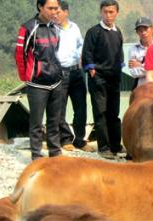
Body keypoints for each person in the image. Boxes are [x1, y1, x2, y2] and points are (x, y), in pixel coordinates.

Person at [15, 0, 63, 161]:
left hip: (56, 82)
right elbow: (20, 54)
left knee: (54, 121)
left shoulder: (56, 26)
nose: (54, 11)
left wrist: (58, 73)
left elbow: (55, 52)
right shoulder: (28, 27)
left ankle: (55, 153)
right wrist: (26, 78)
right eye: (50, 8)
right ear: (40, 7)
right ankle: (36, 155)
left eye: (56, 8)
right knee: (36, 123)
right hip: (36, 83)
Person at [82, 0, 124, 159]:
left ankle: (116, 145)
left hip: (114, 78)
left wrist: (120, 68)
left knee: (114, 113)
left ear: (116, 13)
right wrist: (92, 70)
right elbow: (87, 53)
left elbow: (119, 53)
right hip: (98, 78)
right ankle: (104, 147)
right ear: (101, 12)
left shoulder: (117, 31)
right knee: (101, 113)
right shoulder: (94, 32)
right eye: (105, 12)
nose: (108, 15)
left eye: (111, 12)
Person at [56, 1, 94, 152]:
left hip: (76, 72)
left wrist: (79, 58)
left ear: (66, 12)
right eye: (53, 11)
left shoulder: (75, 27)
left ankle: (79, 140)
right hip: (59, 72)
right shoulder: (51, 29)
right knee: (59, 108)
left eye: (58, 12)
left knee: (81, 108)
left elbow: (81, 45)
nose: (55, 15)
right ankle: (65, 139)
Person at [127, 17, 153, 89]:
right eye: (140, 30)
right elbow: (133, 73)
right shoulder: (133, 49)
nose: (143, 32)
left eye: (146, 29)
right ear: (137, 32)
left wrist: (140, 65)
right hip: (141, 89)